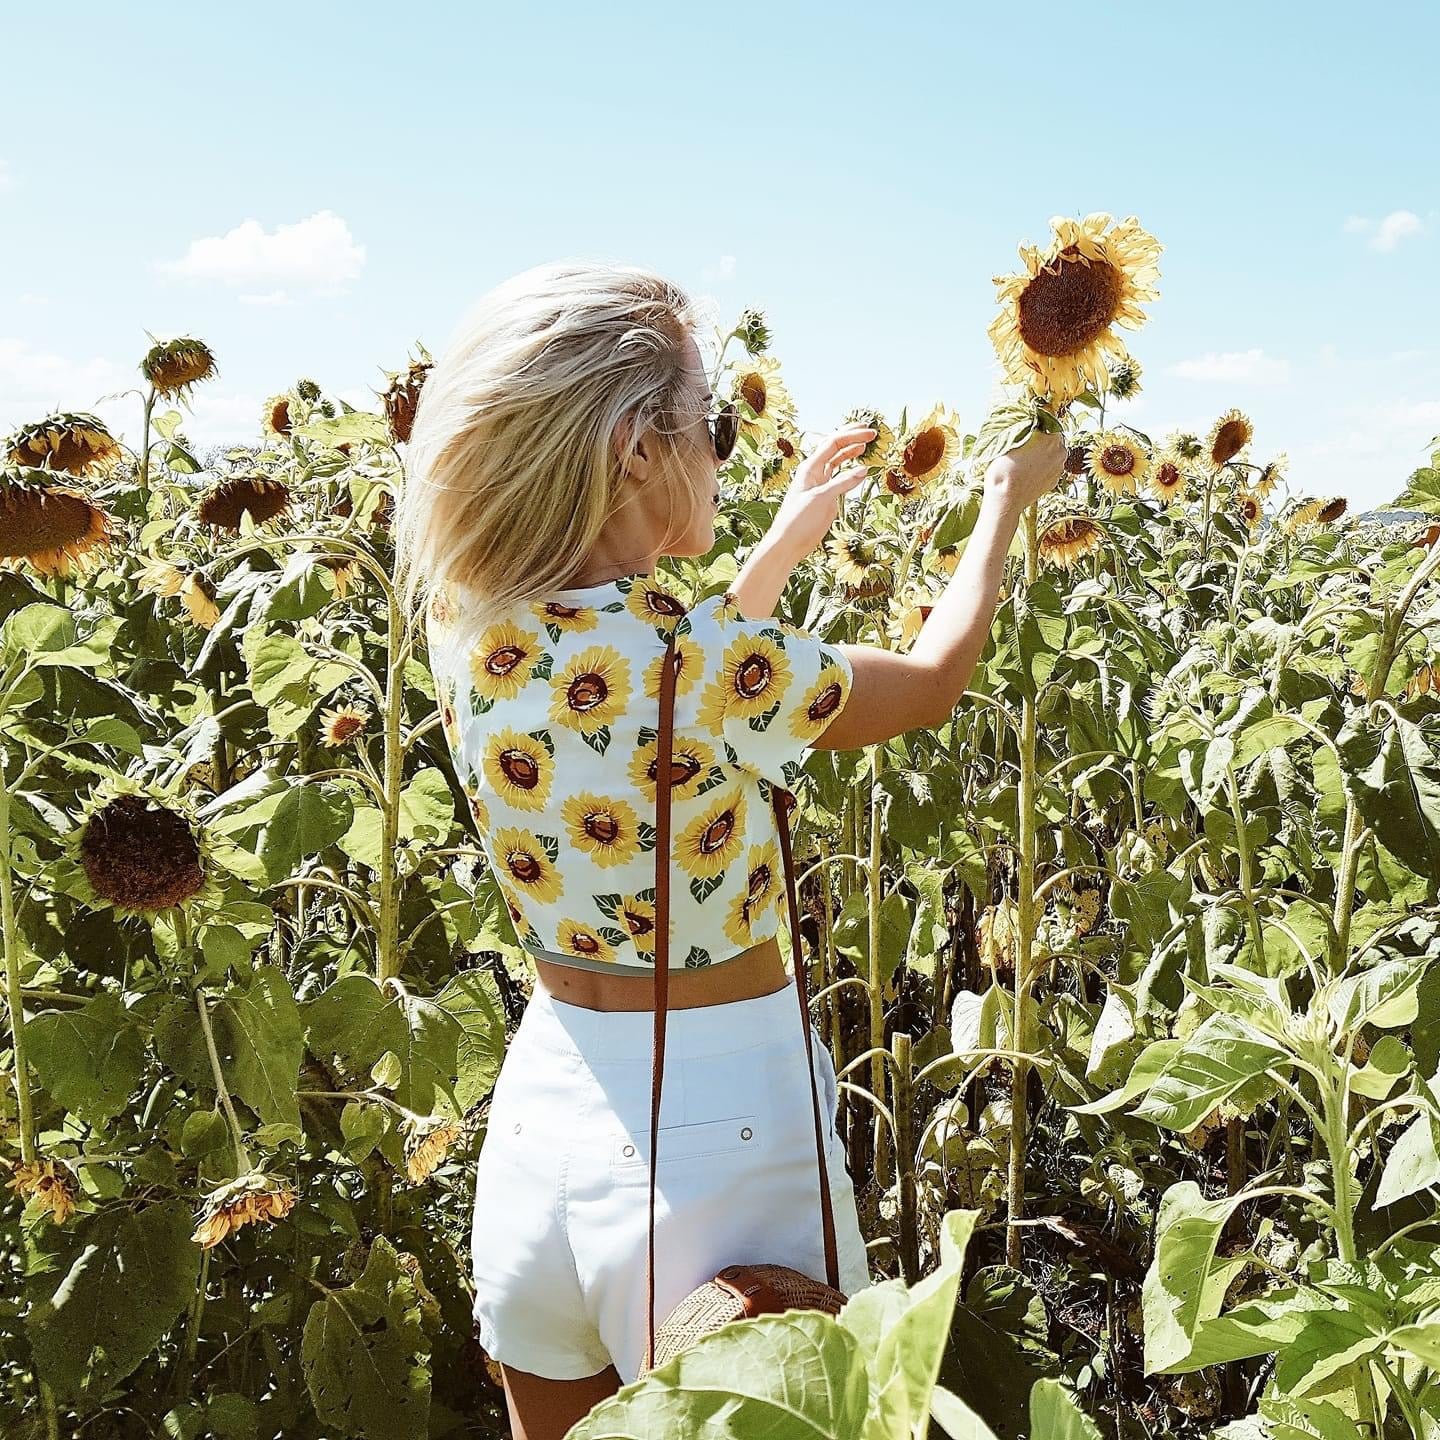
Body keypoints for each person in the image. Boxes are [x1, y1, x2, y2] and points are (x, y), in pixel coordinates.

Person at [394, 260, 1065, 1439]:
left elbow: (664, 703)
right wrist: (1007, 500)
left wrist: (791, 537)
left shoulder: (472, 627)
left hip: (544, 1122)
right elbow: (933, 682)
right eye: (708, 423)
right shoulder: (698, 668)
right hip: (717, 1143)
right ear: (632, 453)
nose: (725, 449)